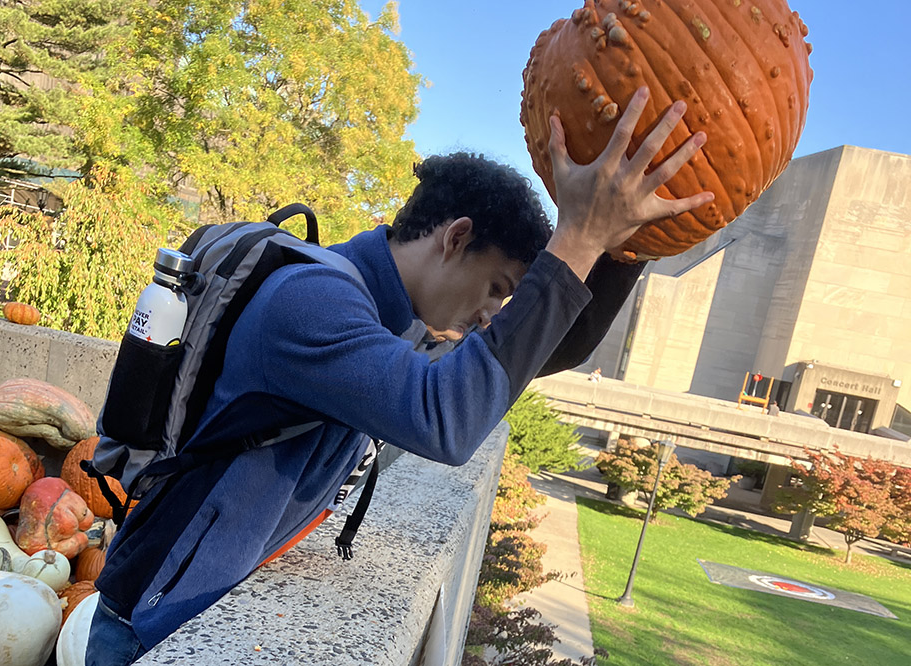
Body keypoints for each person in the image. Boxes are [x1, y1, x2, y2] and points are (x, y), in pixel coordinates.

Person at [85, 87, 713, 665]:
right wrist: (577, 235)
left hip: (200, 611)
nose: (492, 315)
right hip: (152, 628)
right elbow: (447, 421)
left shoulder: (388, 320)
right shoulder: (313, 304)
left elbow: (545, 349)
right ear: (455, 237)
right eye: (496, 288)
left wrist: (629, 243)